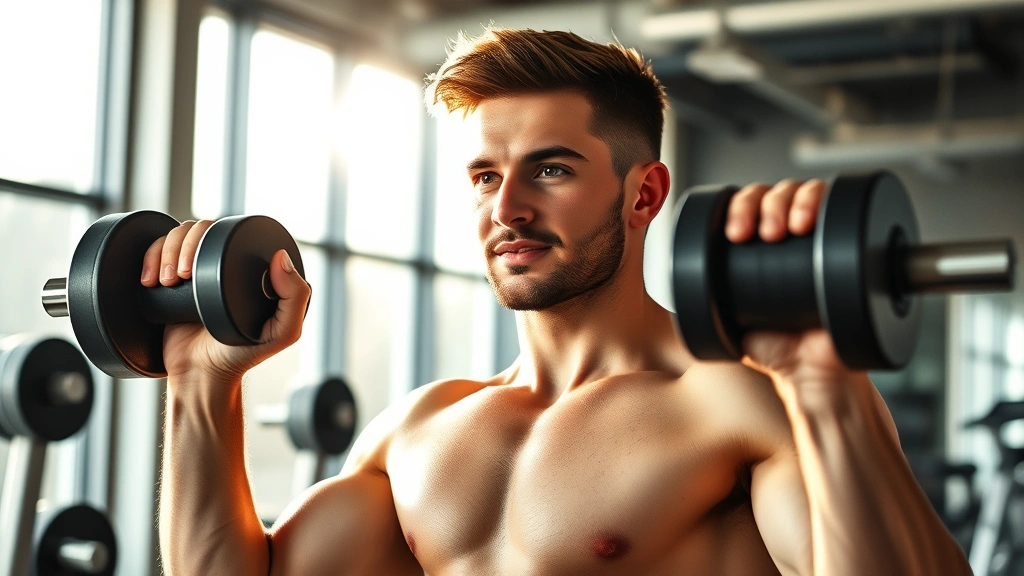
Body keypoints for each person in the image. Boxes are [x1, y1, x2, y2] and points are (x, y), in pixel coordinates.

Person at [153, 27, 970, 575]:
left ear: (643, 194)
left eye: (550, 169)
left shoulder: (741, 400)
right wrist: (202, 384)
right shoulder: (421, 429)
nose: (506, 207)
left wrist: (830, 392)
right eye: (484, 176)